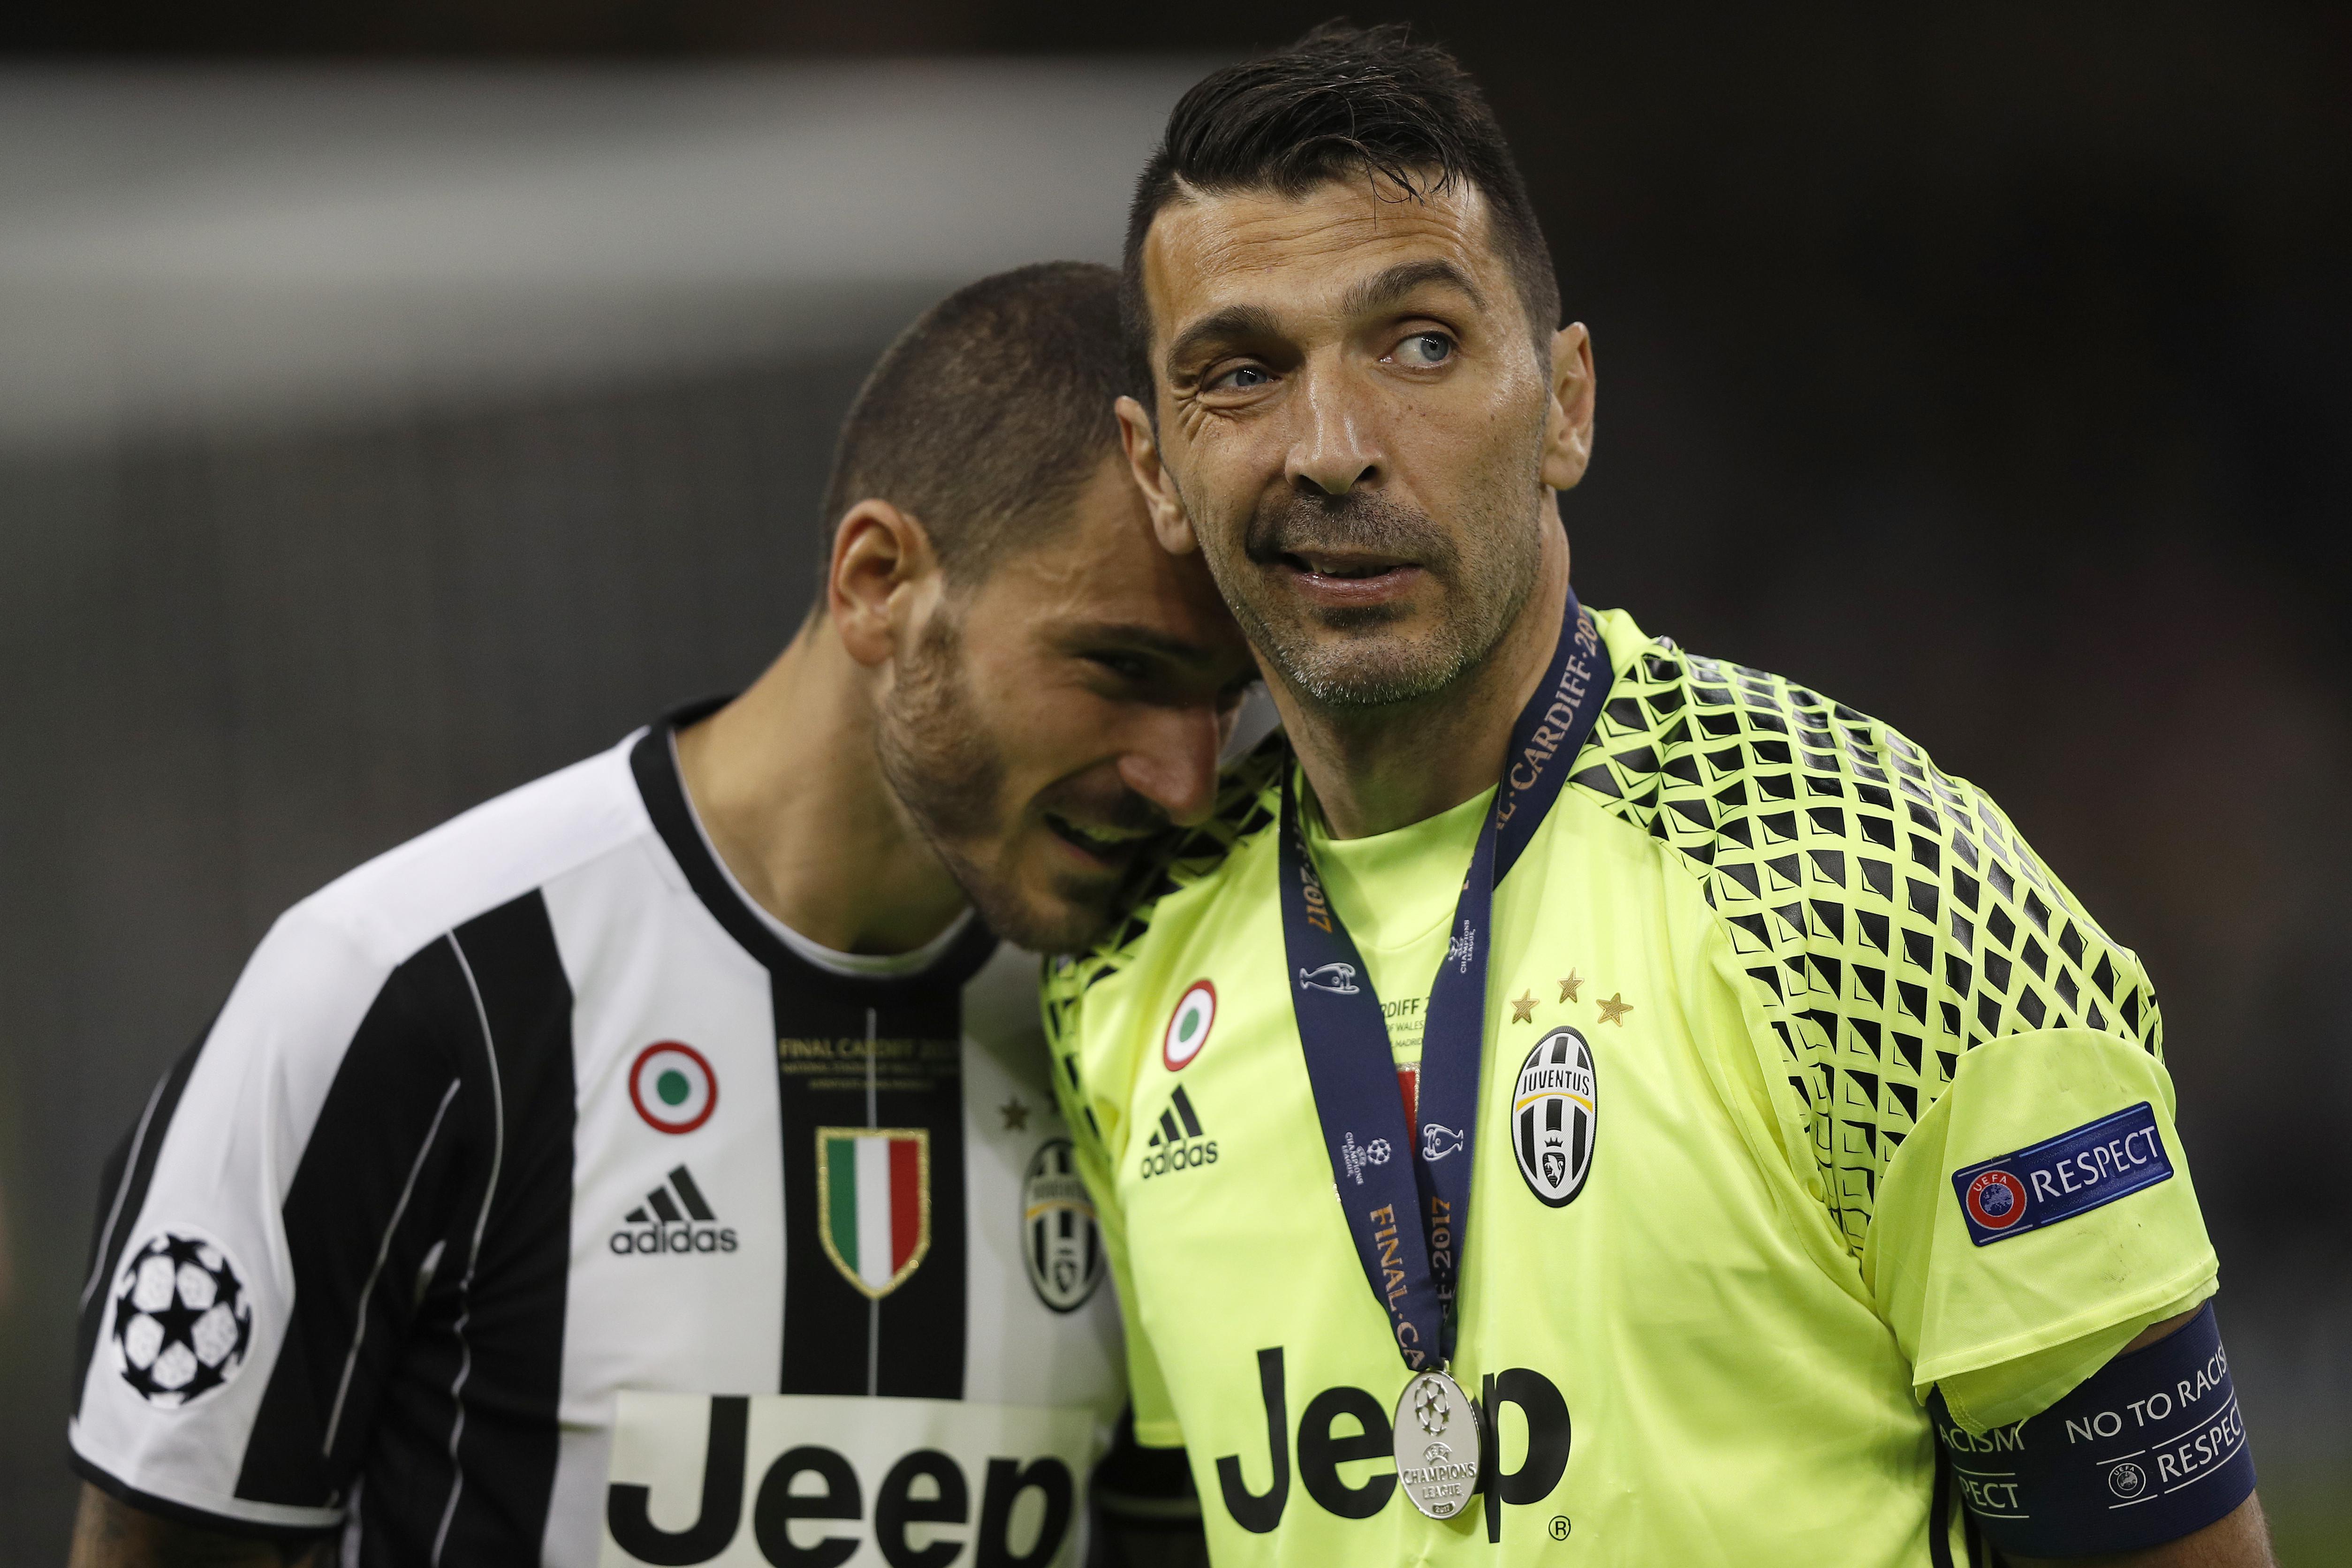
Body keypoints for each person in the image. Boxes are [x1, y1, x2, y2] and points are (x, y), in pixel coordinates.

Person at [1046, 26, 2270, 1567]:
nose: (1335, 447)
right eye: (1243, 373)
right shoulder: (1118, 979)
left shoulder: (1880, 895)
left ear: (1566, 406)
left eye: (1419, 343)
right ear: (1158, 470)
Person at [68, 261, 1247, 1567]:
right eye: (1121, 669)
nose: (1184, 777)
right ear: (876, 582)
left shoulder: (1164, 1033)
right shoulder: (408, 986)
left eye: (1224, 697)